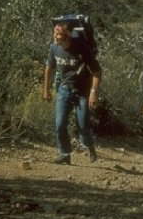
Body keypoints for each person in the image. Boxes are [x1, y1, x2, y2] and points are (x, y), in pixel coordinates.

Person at [43, 22, 101, 165]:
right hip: (64, 89)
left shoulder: (81, 48)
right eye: (55, 36)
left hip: (82, 91)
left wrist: (93, 93)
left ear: (67, 37)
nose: (56, 40)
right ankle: (64, 154)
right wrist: (46, 89)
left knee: (83, 126)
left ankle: (89, 146)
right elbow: (49, 68)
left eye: (59, 37)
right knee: (60, 124)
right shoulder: (54, 48)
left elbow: (96, 71)